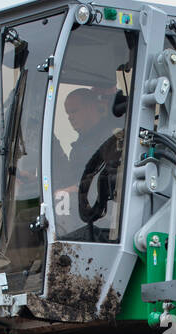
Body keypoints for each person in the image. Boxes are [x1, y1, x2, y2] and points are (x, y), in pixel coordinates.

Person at [53, 86, 124, 239]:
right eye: (68, 114)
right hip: (82, 210)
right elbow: (71, 177)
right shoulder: (79, 146)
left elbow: (110, 178)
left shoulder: (110, 139)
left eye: (74, 111)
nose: (70, 118)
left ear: (91, 107)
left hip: (102, 218)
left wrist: (74, 189)